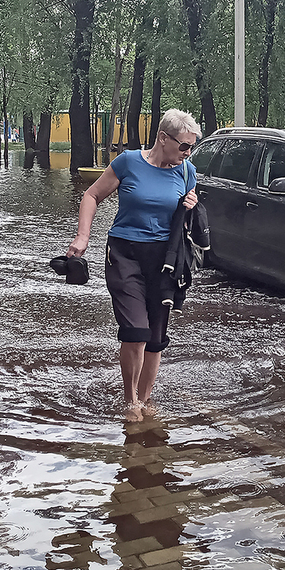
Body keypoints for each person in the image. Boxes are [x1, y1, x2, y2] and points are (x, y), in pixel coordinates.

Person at [67, 109, 201, 422]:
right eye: (184, 145)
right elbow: (91, 195)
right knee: (136, 331)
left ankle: (146, 398)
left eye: (192, 147)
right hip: (124, 254)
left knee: (155, 337)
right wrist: (83, 236)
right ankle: (131, 402)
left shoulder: (187, 171)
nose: (187, 152)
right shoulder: (128, 162)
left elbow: (187, 225)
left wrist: (191, 208)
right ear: (163, 138)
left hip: (164, 260)